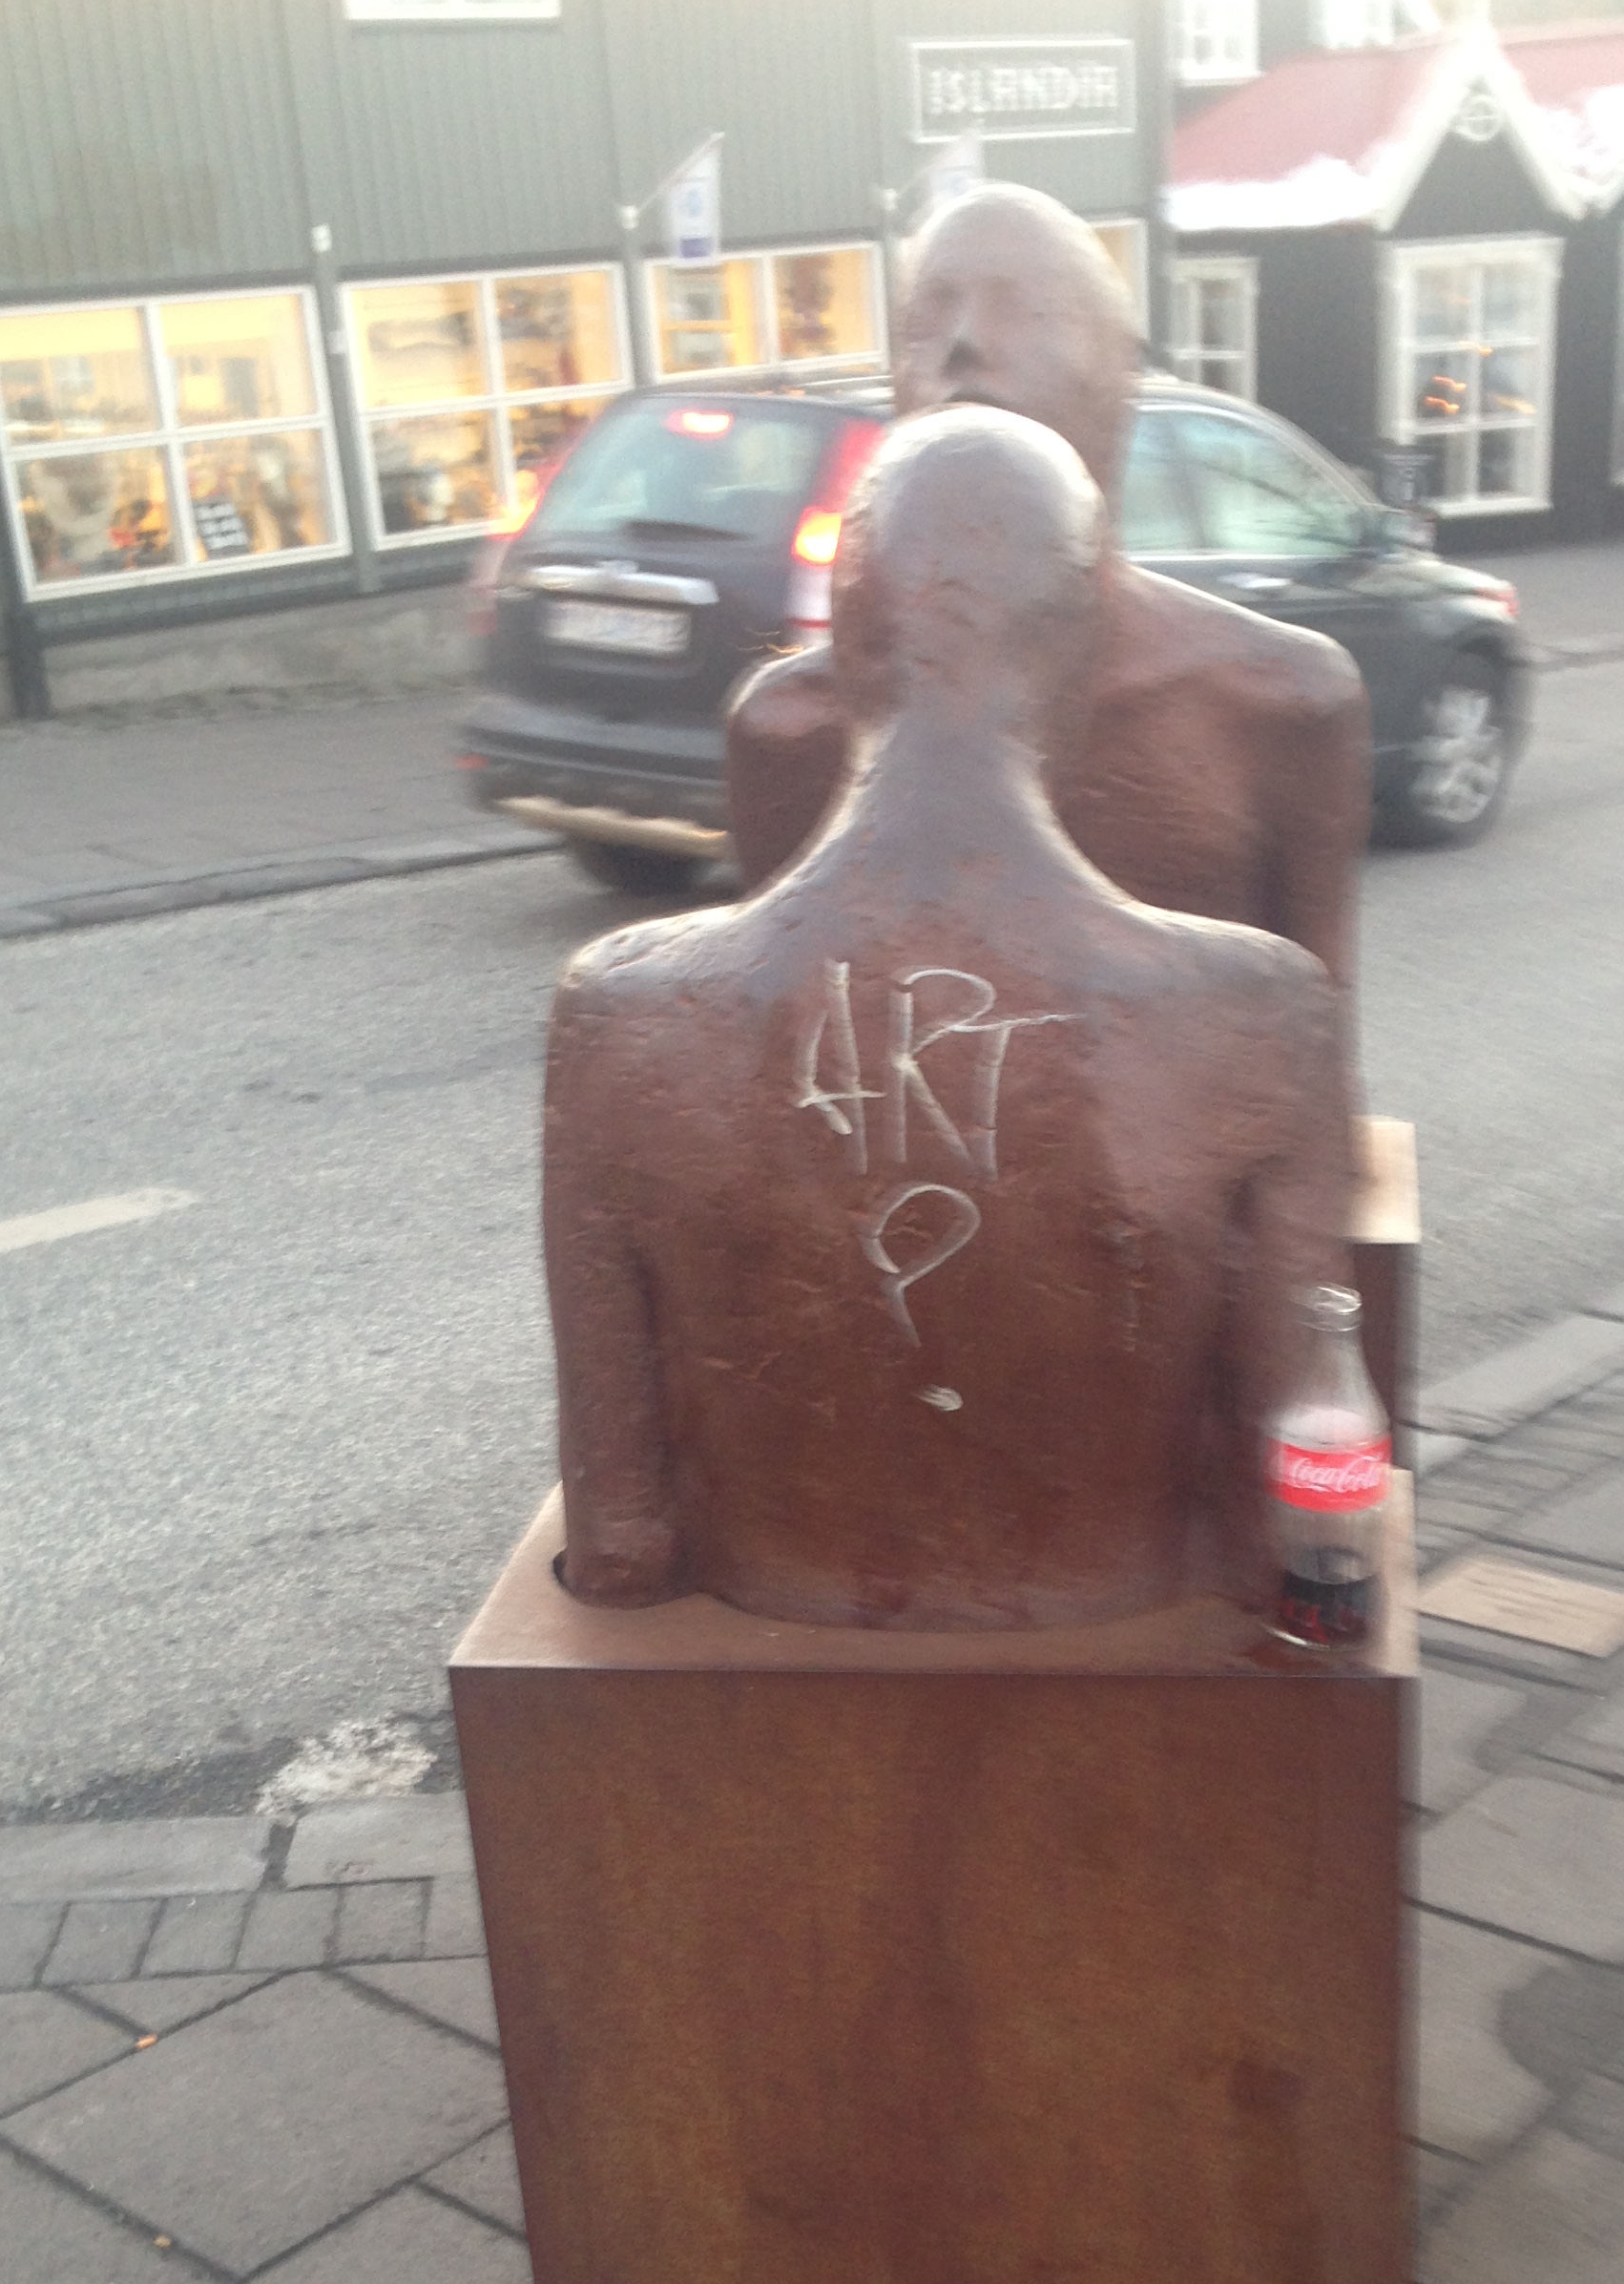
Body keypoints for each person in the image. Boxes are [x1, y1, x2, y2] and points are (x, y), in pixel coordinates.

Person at [545, 409, 1350, 1631]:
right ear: (1082, 657)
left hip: (765, 1682)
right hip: (1124, 1665)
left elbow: (619, 1541)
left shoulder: (623, 1014)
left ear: (843, 648)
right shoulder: (1256, 1011)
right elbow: (1286, 1514)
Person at [726, 184, 1369, 1157]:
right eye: (925, 319)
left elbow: (1316, 1092)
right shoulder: (795, 728)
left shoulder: (1279, 701)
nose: (962, 345)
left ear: (1122, 375)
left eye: (1023, 309)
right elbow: (790, 1075)